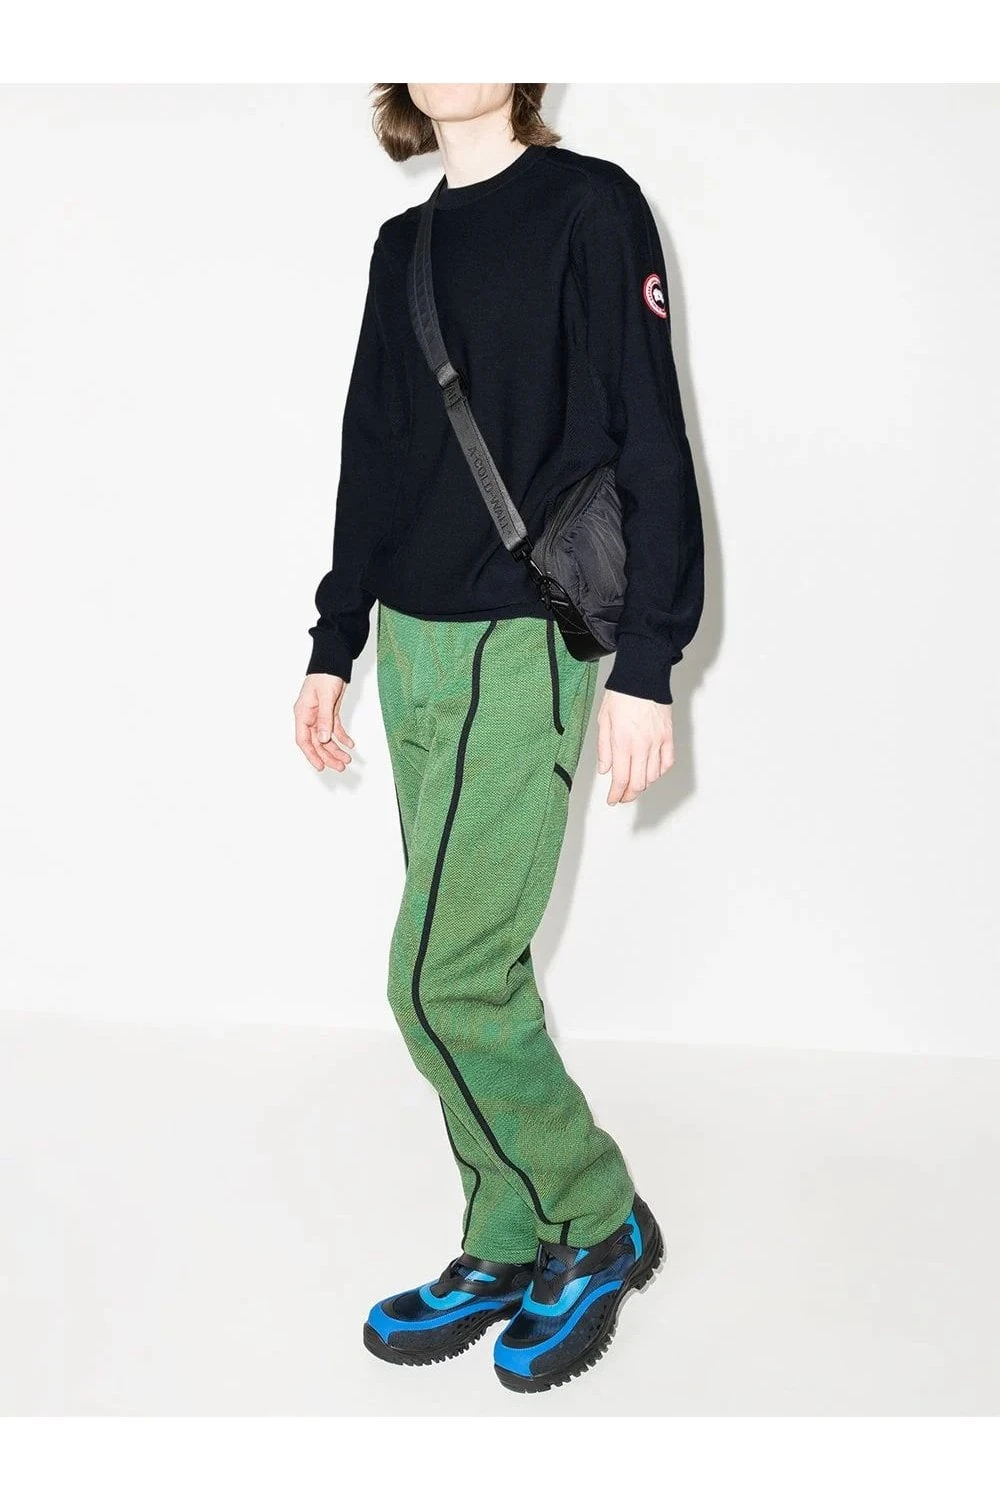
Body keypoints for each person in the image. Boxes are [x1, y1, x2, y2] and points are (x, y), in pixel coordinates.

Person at [294, 83, 704, 1394]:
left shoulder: (592, 207)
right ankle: (507, 1232)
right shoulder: (404, 245)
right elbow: (371, 447)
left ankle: (594, 1213)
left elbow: (651, 435)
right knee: (478, 961)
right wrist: (335, 638)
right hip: (413, 644)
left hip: (521, 643)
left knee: (438, 979)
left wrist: (649, 663)